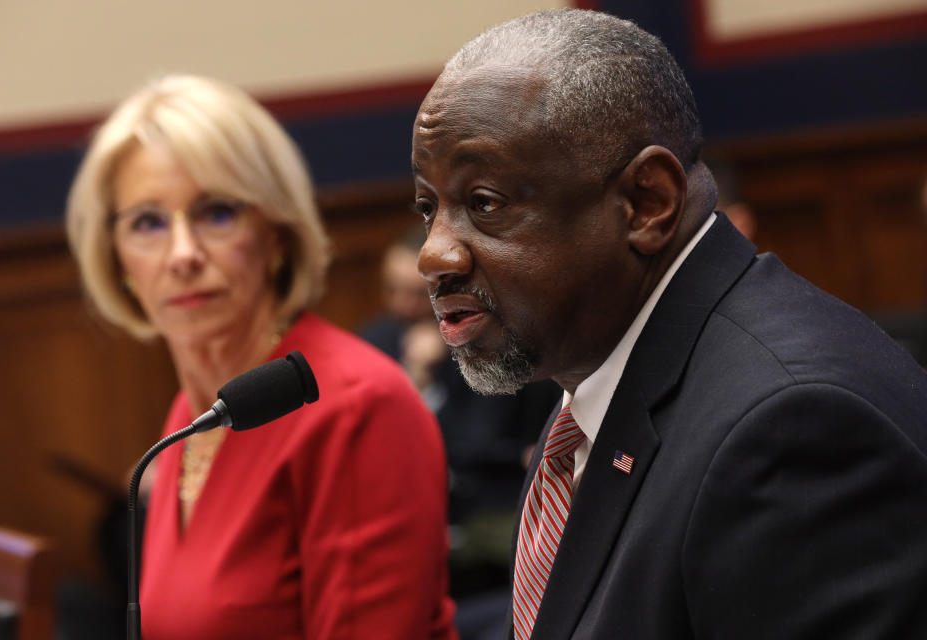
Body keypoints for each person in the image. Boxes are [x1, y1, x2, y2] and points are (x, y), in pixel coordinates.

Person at [411, 9, 927, 640]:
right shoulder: (603, 377)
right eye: (428, 207)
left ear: (647, 203)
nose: (434, 255)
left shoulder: (791, 428)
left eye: (483, 203)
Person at [65, 74, 456, 640]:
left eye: (216, 212)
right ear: (117, 258)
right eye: (147, 222)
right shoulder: (191, 415)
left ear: (275, 230)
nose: (182, 254)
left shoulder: (357, 407)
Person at [361, 232, 560, 607]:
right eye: (393, 291)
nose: (403, 305)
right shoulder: (376, 341)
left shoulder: (485, 340)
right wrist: (414, 379)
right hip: (402, 509)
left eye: (416, 295)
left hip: (488, 507)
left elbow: (475, 445)